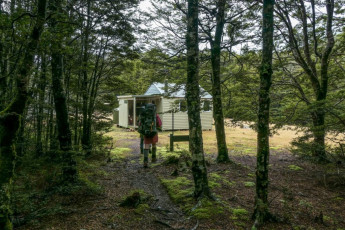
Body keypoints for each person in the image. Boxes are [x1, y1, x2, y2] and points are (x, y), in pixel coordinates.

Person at [138, 103, 162, 168]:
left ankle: (145, 162)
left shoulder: (144, 115)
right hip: (154, 132)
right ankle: (153, 158)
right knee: (154, 144)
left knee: (146, 145)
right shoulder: (155, 115)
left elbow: (140, 123)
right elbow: (159, 124)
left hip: (146, 132)